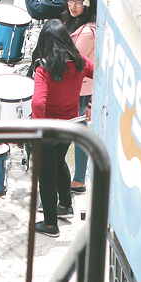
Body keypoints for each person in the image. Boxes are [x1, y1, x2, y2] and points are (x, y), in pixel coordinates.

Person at [29, 19, 93, 237]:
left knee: (45, 175)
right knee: (59, 163)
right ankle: (65, 205)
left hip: (48, 129)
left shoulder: (44, 68)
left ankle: (50, 224)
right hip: (70, 125)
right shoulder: (80, 61)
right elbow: (99, 72)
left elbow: (38, 102)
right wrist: (92, 100)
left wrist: (40, 126)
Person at [61, 0, 97, 193]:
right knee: (79, 131)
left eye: (78, 2)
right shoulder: (71, 22)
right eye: (71, 1)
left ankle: (77, 180)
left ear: (88, 5)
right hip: (74, 86)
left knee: (72, 132)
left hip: (79, 89)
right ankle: (79, 181)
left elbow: (72, 59)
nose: (73, 6)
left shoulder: (88, 31)